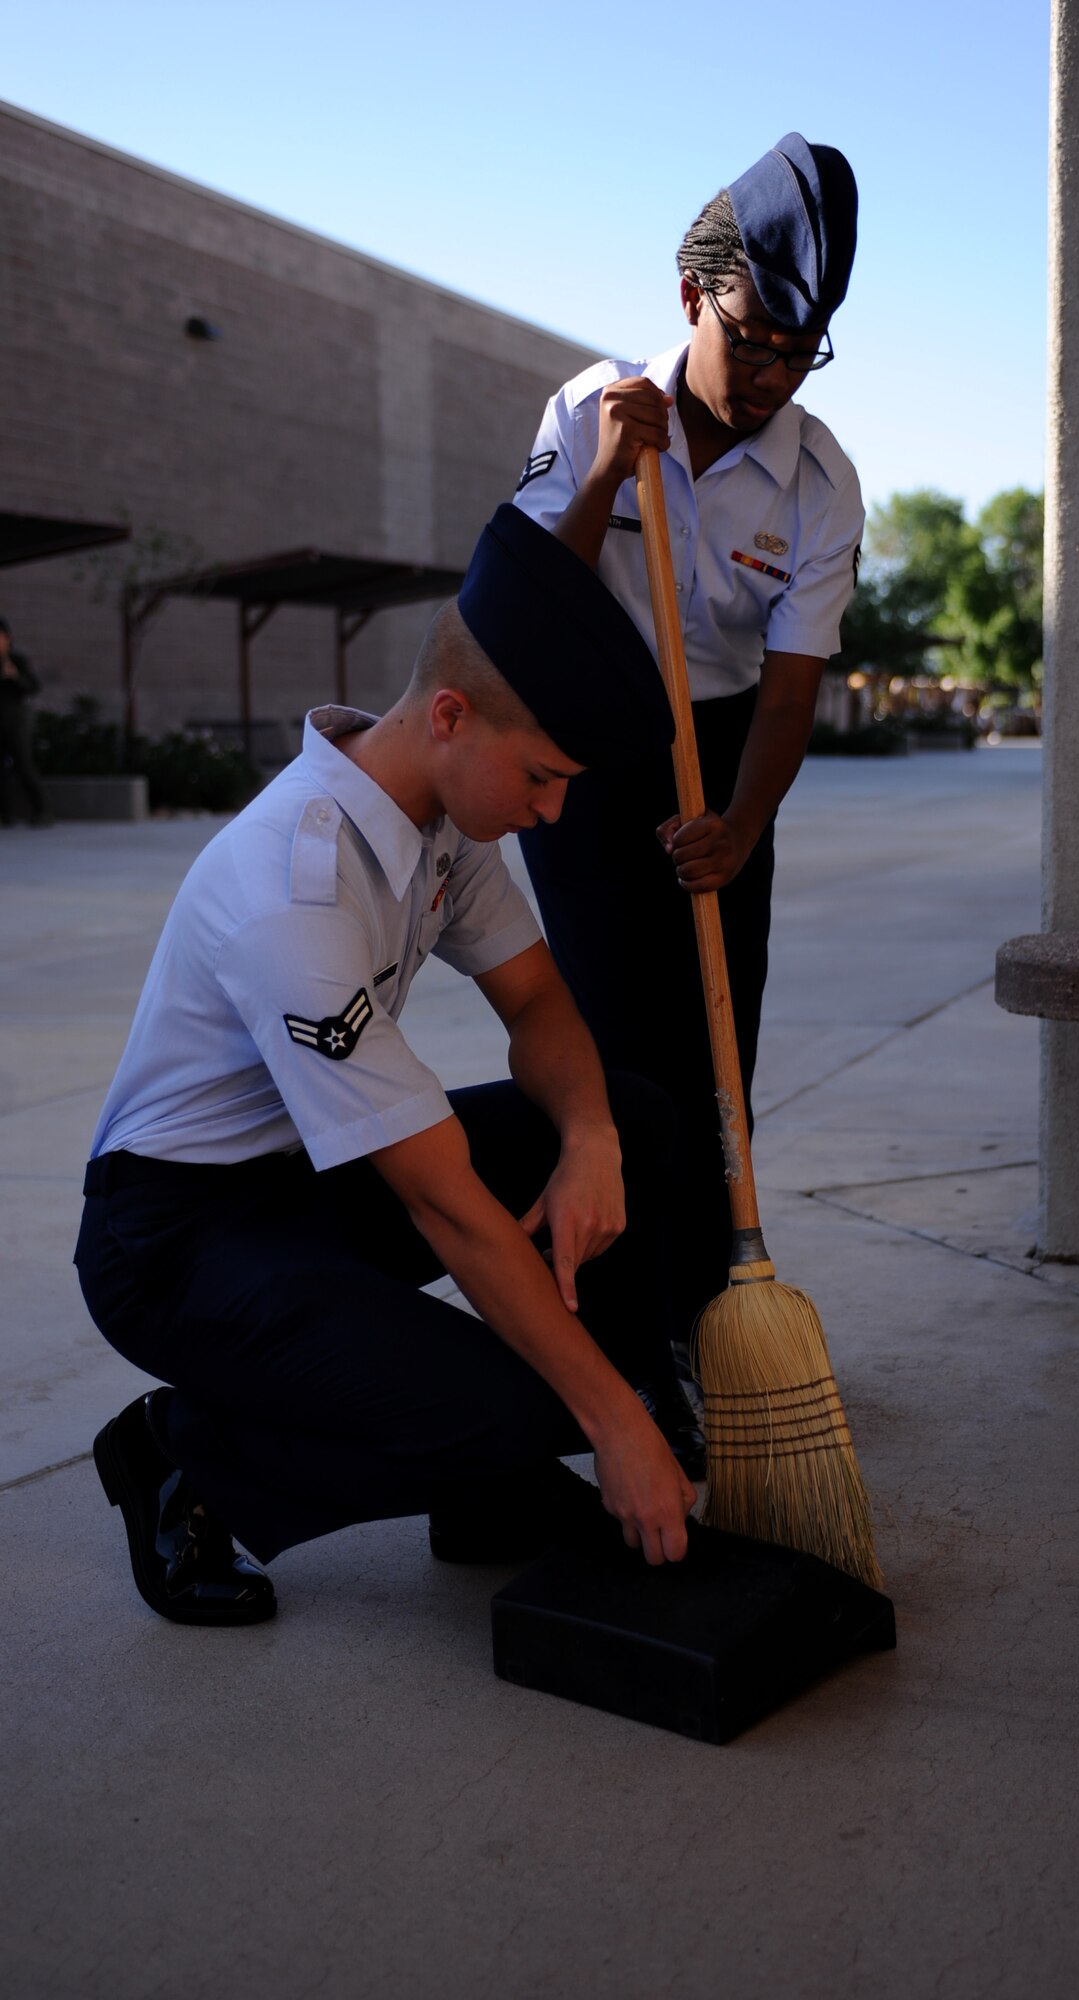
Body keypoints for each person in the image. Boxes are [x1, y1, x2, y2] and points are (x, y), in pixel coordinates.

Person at [76, 504, 699, 1629]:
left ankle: (494, 1482)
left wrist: (591, 1139)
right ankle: (184, 1453)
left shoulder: (444, 822)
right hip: (172, 1239)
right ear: (451, 715)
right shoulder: (290, 891)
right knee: (530, 1409)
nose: (552, 812)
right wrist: (615, 1423)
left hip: (307, 1179)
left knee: (636, 1113)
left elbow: (541, 1001)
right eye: (545, 778)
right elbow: (448, 1208)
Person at [512, 133, 864, 1372]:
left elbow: (788, 692)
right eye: (755, 339)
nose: (773, 376)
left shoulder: (820, 482)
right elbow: (521, 608)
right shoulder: (589, 406)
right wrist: (607, 473)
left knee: (722, 1055)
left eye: (799, 351)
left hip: (724, 752)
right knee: (619, 1049)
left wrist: (741, 824)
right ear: (694, 298)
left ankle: (712, 1324)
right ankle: (613, 1342)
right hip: (592, 746)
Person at [0, 616, 52, 826]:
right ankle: (6, 815)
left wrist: (15, 677)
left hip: (16, 721)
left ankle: (43, 812)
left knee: (24, 765)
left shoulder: (16, 661)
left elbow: (33, 687)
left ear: (7, 638)